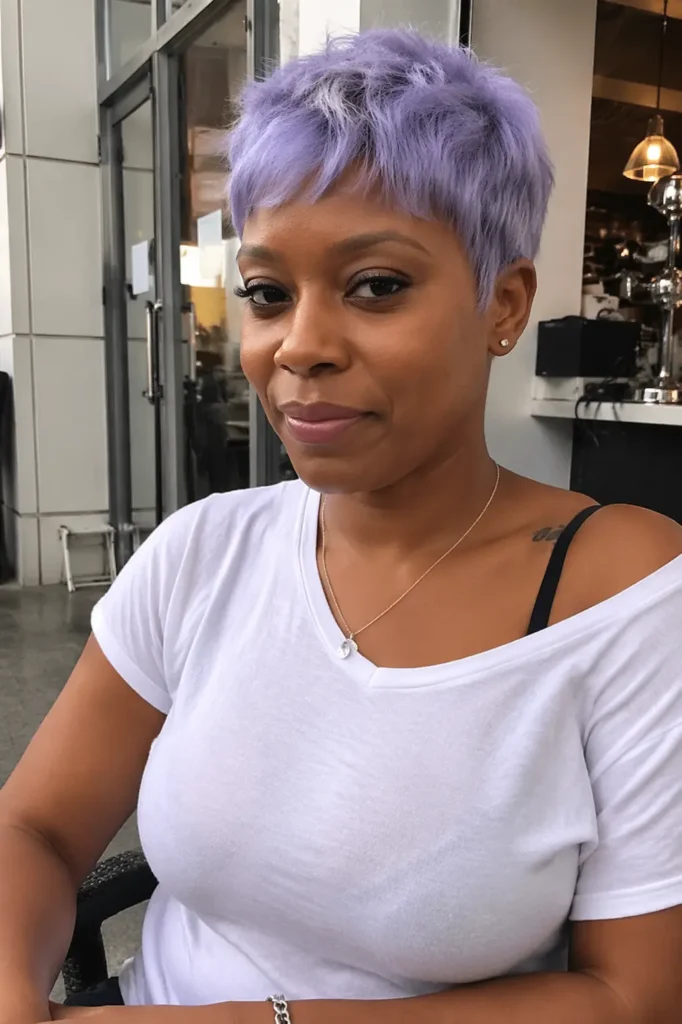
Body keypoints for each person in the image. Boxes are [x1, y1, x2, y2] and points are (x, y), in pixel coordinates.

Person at [1, 28, 681, 1024]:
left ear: (504, 303)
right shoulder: (205, 551)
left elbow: (635, 994)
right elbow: (38, 826)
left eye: (376, 286)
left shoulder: (626, 596)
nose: (300, 346)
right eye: (268, 294)